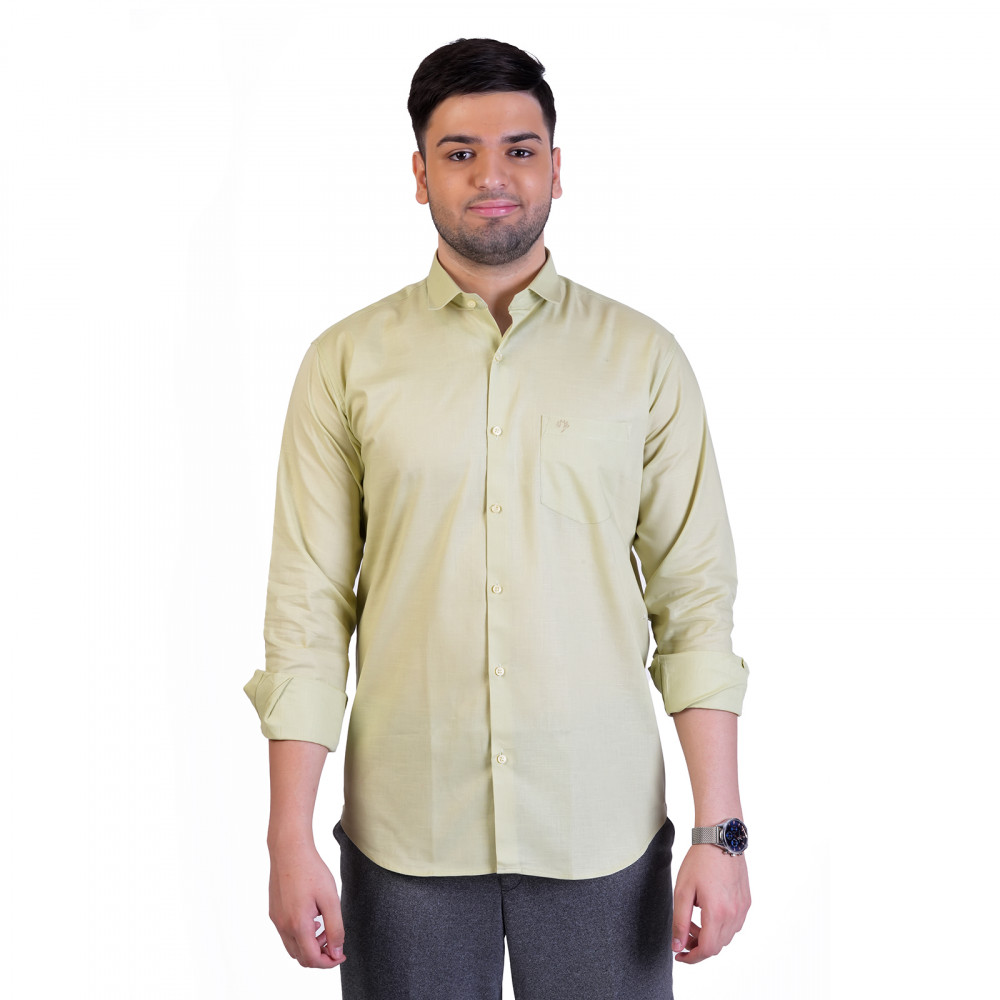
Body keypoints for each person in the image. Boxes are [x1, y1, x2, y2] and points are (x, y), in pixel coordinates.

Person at [244, 37, 751, 1000]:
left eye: (519, 150)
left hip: (602, 833)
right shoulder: (344, 364)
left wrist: (718, 833)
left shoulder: (643, 360)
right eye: (460, 152)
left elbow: (694, 604)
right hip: (407, 839)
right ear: (419, 174)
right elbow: (306, 614)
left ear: (557, 168)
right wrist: (287, 837)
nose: (492, 176)